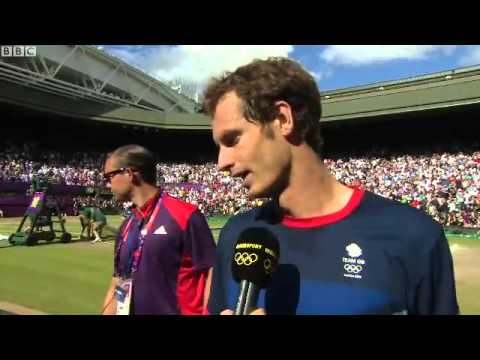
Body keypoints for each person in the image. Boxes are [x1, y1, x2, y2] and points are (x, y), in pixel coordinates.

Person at [202, 57, 459, 315]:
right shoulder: (237, 235)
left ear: (282, 119)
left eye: (233, 139)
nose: (221, 163)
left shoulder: (413, 236)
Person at [101, 145, 216, 315]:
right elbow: (120, 281)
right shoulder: (126, 227)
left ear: (129, 174)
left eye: (109, 176)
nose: (107, 183)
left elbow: (211, 272)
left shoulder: (185, 215)